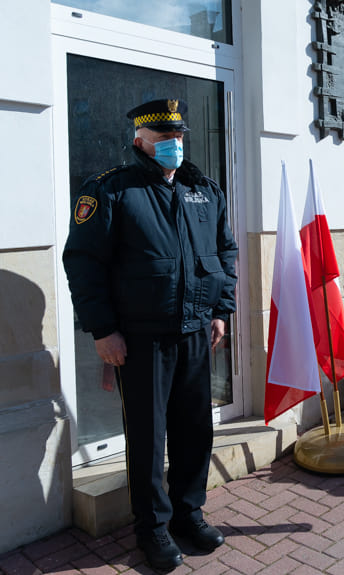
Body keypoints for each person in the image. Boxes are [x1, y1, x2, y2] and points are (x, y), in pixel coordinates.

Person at [63, 99, 238, 571]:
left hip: (196, 332)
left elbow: (225, 252)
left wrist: (221, 310)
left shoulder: (204, 190)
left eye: (179, 139)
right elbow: (83, 264)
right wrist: (103, 331)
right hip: (141, 339)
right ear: (140, 141)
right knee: (147, 436)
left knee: (195, 430)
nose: (174, 148)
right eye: (164, 141)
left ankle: (188, 515)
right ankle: (153, 530)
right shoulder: (111, 191)